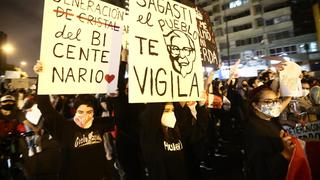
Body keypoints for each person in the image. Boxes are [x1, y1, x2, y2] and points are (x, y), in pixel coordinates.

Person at [33, 61, 116, 180]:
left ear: (94, 113)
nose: (85, 116)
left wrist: (117, 98)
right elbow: (44, 106)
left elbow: (123, 118)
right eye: (81, 112)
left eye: (89, 112)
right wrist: (41, 77)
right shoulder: (64, 127)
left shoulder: (98, 124)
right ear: (75, 111)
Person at [139, 97, 209, 180]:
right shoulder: (151, 137)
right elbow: (148, 116)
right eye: (167, 110)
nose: (171, 114)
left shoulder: (180, 132)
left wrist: (201, 107)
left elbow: (198, 133)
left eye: (172, 110)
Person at [244, 86, 294, 180]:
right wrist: (285, 154)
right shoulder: (254, 131)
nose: (274, 104)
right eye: (268, 101)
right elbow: (259, 169)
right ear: (255, 105)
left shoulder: (270, 119)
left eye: (276, 100)